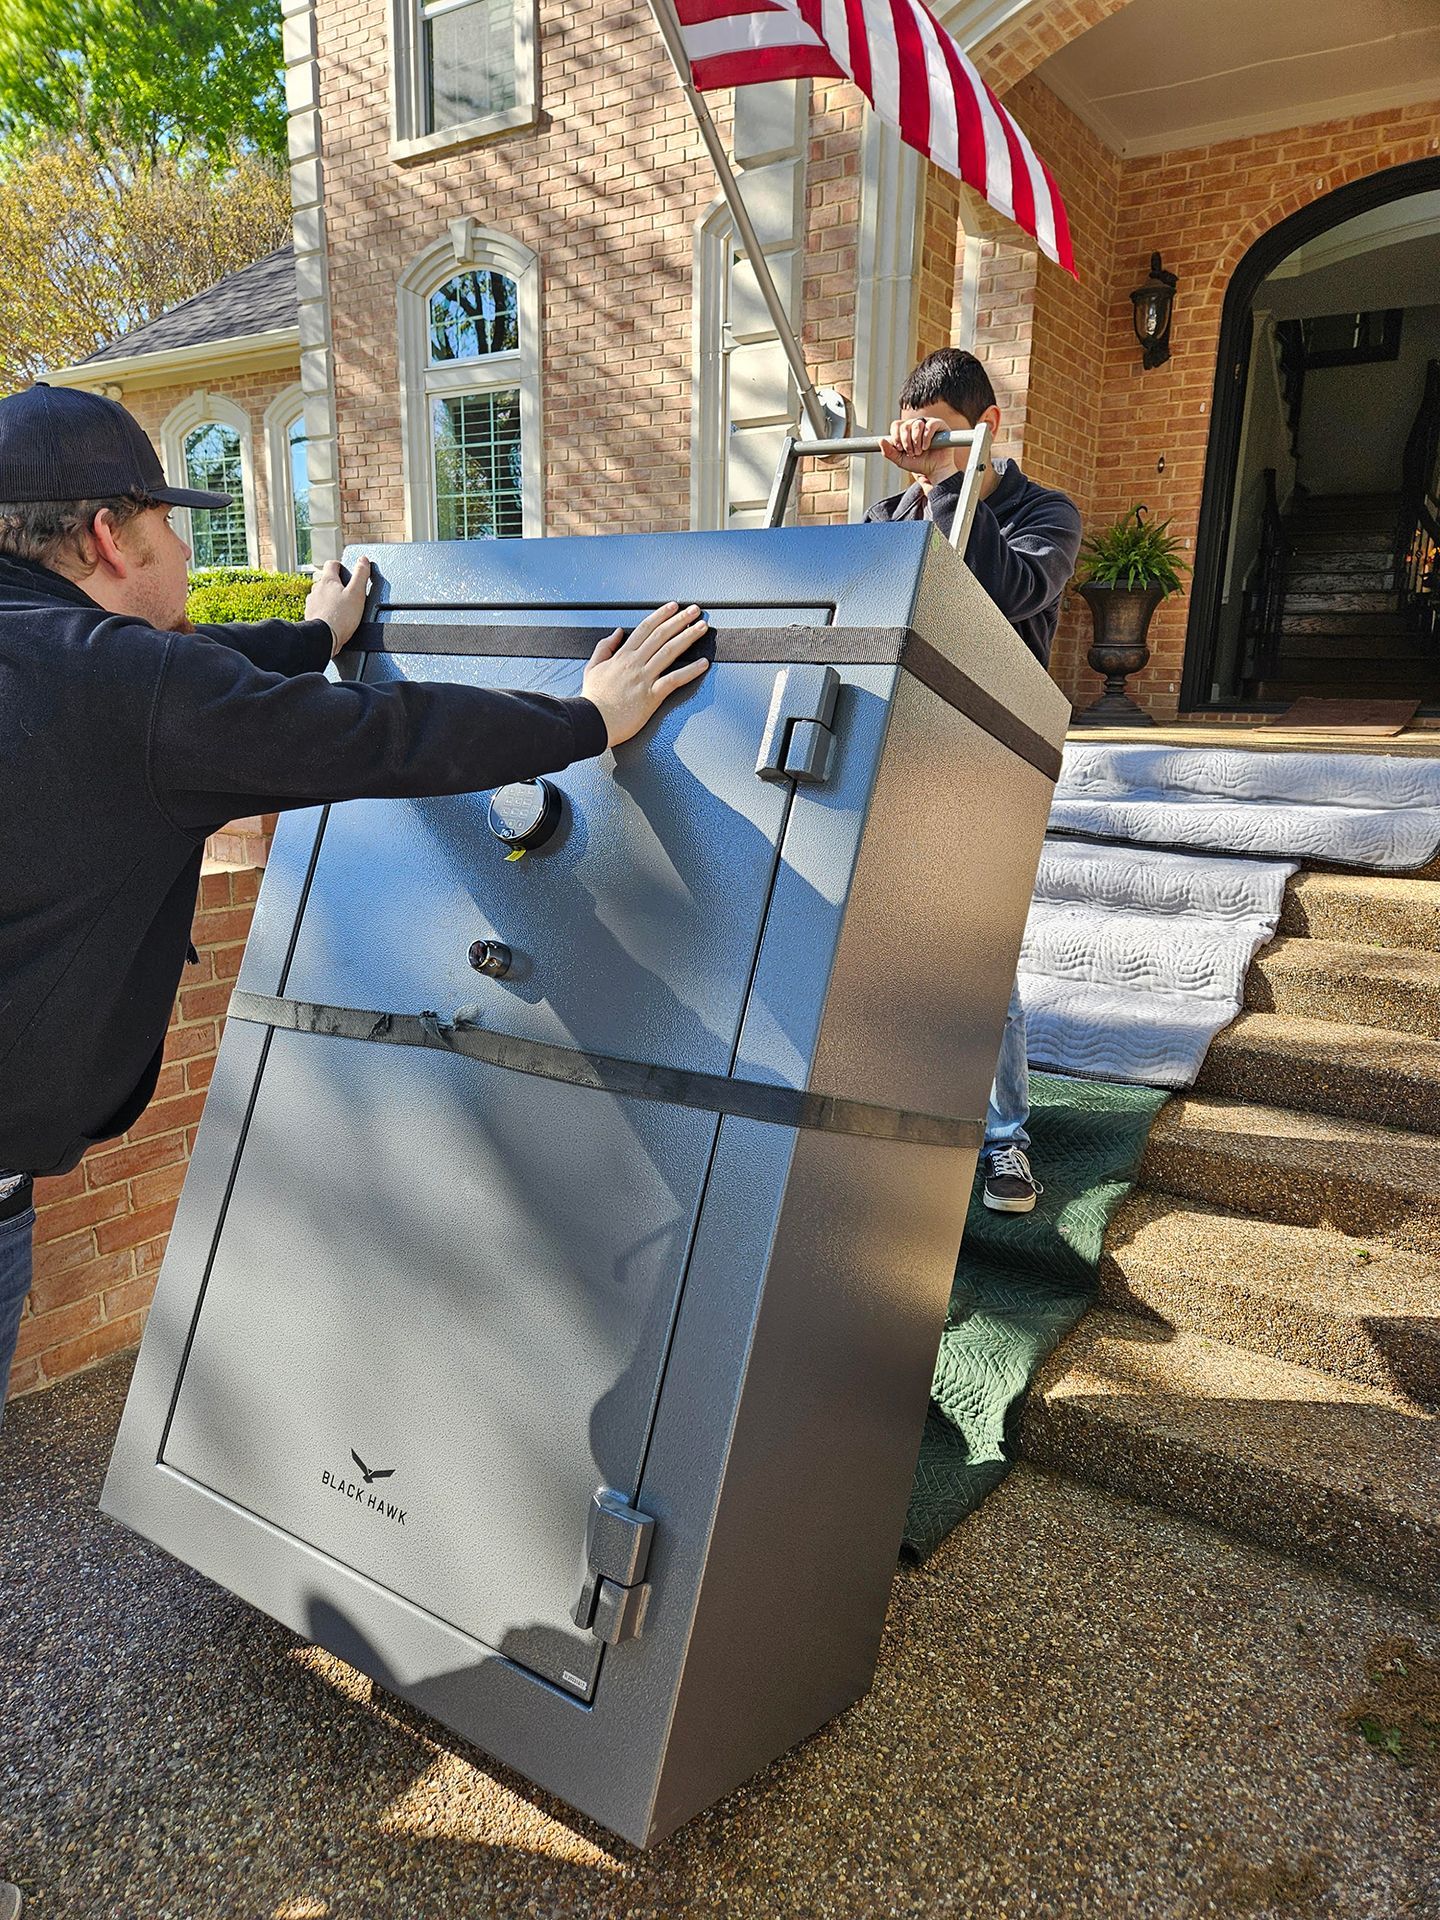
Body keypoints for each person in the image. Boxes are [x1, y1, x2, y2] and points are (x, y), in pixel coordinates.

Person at [0, 384, 708, 1433]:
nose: (190, 558)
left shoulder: (52, 651)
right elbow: (375, 734)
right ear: (108, 535)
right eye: (170, 528)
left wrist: (308, 638)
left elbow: (180, 679)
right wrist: (585, 721)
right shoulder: (118, 686)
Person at [866, 348, 1082, 1215]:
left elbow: (1006, 597)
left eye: (948, 438)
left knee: (984, 964)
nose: (927, 460)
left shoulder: (1045, 514)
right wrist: (921, 495)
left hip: (991, 760)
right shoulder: (893, 513)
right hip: (899, 757)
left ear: (986, 428)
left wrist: (954, 482)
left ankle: (1005, 1140)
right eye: (924, 443)